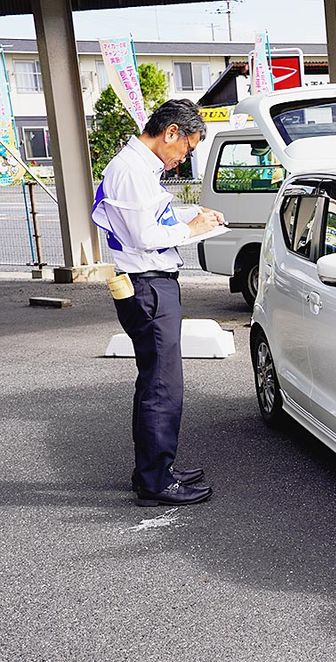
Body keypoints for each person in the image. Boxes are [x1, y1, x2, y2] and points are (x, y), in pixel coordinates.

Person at [92, 99, 225, 507]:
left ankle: (153, 471)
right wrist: (193, 228)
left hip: (146, 285)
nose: (183, 158)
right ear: (170, 132)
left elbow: (153, 217)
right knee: (163, 386)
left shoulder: (136, 167)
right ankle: (155, 481)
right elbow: (145, 235)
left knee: (155, 381)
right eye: (187, 147)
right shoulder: (132, 171)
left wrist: (193, 214)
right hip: (148, 285)